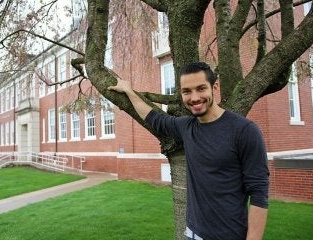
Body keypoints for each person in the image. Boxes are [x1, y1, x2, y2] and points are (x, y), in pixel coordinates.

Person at [108, 62, 269, 240]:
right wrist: (129, 91)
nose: (194, 98)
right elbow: (155, 119)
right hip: (192, 233)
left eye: (201, 89)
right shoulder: (186, 126)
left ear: (214, 86)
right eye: (187, 91)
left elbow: (259, 193)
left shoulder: (244, 131)